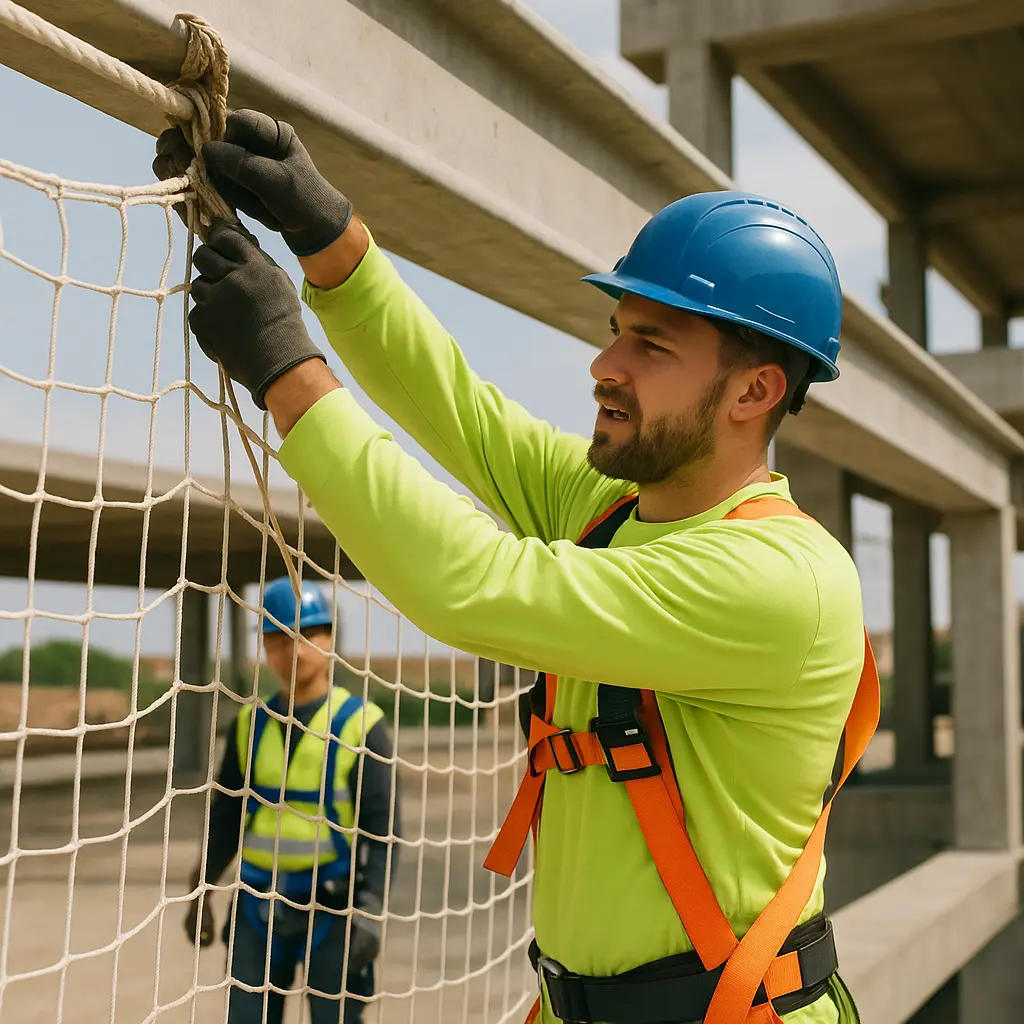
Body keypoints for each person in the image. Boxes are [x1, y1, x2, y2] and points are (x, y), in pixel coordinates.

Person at [157, 111, 878, 1024]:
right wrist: (331, 240)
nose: (604, 364)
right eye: (618, 329)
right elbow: (466, 413)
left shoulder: (780, 578)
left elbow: (469, 583)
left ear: (755, 390)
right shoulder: (616, 508)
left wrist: (285, 367)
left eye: (650, 346)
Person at [183, 578, 399, 1024]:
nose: (293, 650)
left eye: (306, 635)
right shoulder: (249, 723)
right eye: (279, 639)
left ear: (329, 638)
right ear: (264, 646)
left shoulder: (362, 725)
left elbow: (383, 831)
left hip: (334, 909)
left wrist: (372, 909)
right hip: (257, 904)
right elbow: (226, 819)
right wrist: (201, 887)